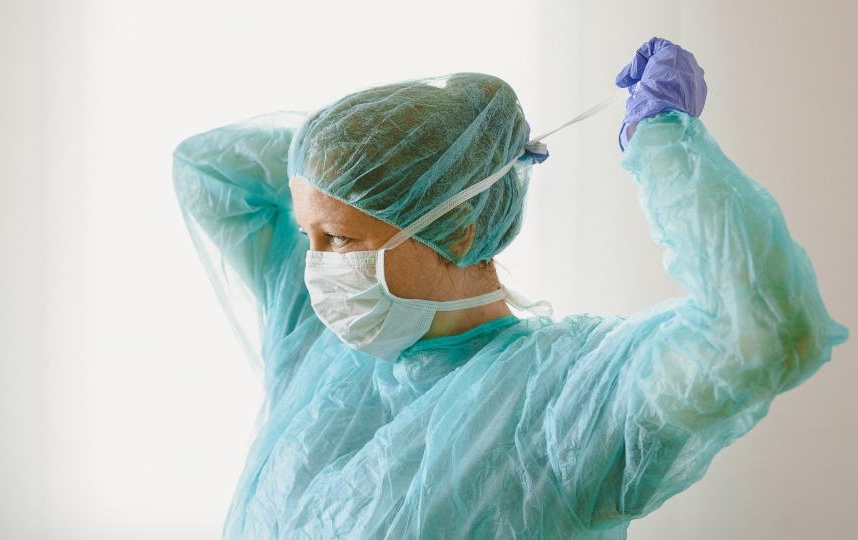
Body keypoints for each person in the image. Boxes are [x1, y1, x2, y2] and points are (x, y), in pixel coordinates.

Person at [172, 37, 849, 539]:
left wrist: (665, 147)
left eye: (343, 241)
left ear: (459, 229)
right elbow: (208, 171)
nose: (315, 266)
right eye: (309, 235)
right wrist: (362, 160)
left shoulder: (566, 399)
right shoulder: (319, 341)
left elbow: (762, 332)